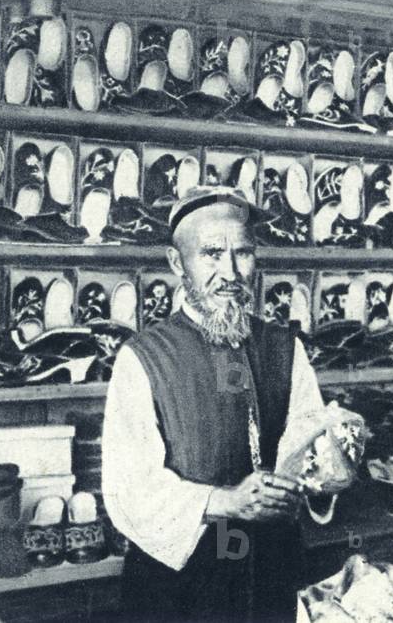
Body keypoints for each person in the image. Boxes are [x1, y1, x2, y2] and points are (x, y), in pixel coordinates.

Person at [102, 186, 324, 622]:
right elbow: (127, 488)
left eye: (243, 253)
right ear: (175, 263)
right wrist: (226, 501)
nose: (231, 272)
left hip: (271, 572)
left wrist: (330, 462)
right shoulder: (144, 357)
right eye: (211, 254)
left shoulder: (284, 348)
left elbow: (310, 450)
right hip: (180, 589)